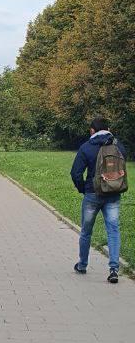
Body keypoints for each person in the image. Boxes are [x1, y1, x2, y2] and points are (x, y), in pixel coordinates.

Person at [71, 116, 126, 283]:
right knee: (113, 230)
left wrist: (83, 188)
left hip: (92, 194)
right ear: (108, 128)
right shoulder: (118, 146)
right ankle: (114, 269)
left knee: (86, 232)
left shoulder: (86, 147)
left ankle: (82, 264)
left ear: (92, 130)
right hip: (113, 194)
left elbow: (76, 173)